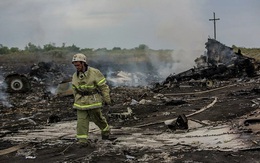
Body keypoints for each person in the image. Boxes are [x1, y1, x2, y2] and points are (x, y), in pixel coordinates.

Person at [71, 53, 111, 145]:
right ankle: (82, 141)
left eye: (78, 65)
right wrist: (75, 101)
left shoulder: (95, 72)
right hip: (80, 103)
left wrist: (106, 99)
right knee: (81, 122)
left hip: (93, 101)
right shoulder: (74, 75)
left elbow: (103, 87)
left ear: (83, 63)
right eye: (75, 65)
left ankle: (106, 131)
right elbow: (74, 90)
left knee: (98, 119)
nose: (76, 67)